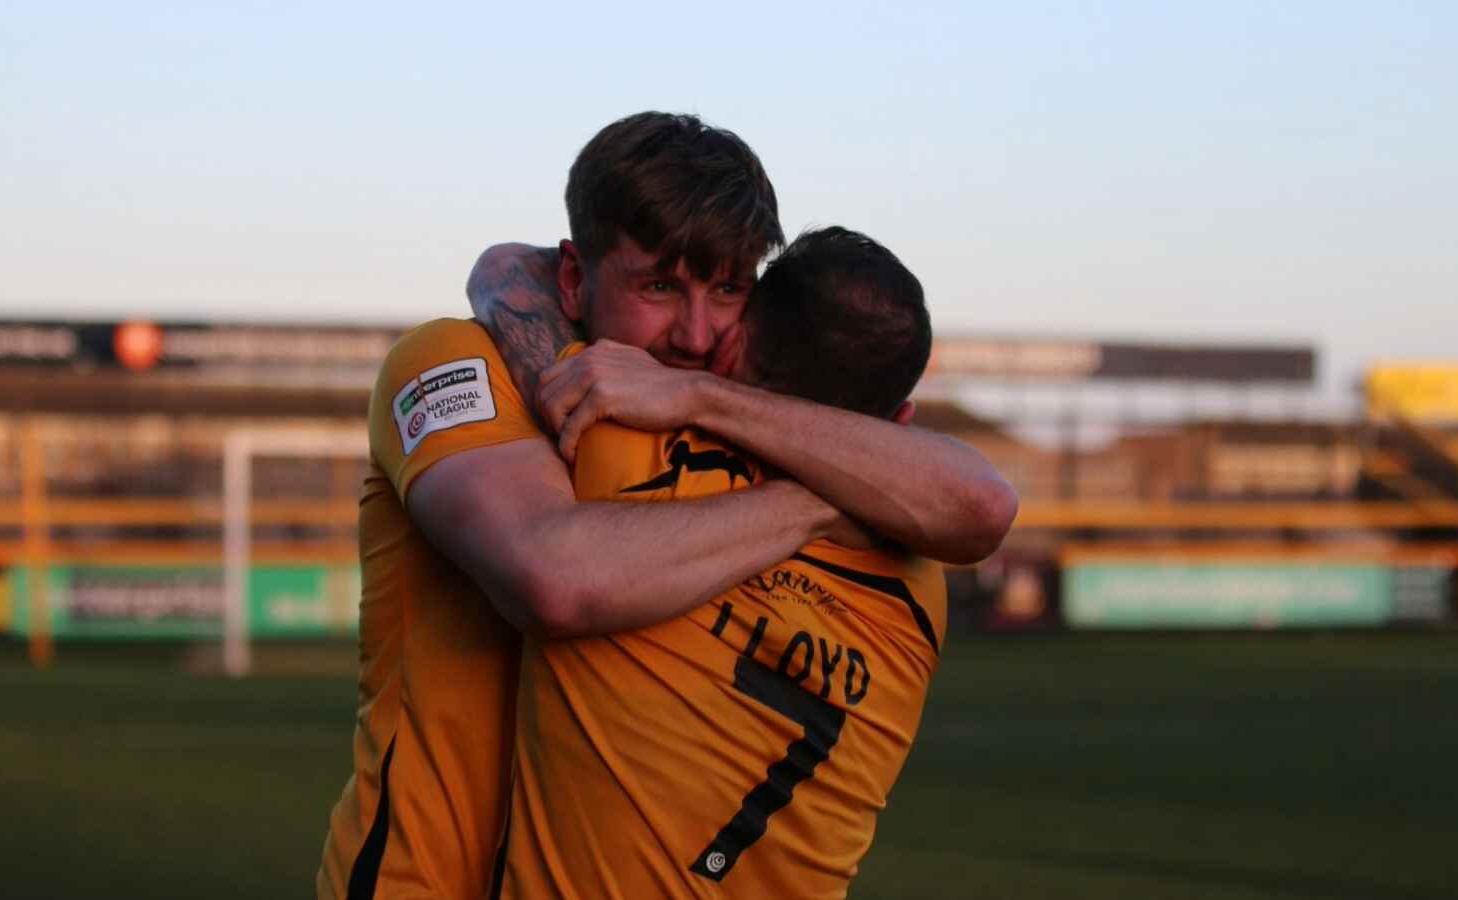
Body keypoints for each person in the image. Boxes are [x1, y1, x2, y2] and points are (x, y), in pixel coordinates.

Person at [318, 112, 1014, 899]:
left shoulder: (734, 429)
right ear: (575, 279)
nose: (694, 331)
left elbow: (983, 501)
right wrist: (812, 504)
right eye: (658, 286)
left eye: (727, 288)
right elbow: (550, 571)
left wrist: (700, 399)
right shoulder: (454, 362)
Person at [497, 227, 958, 898]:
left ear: (733, 343)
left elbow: (517, 284)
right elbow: (974, 499)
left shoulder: (619, 453)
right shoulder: (921, 592)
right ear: (903, 423)